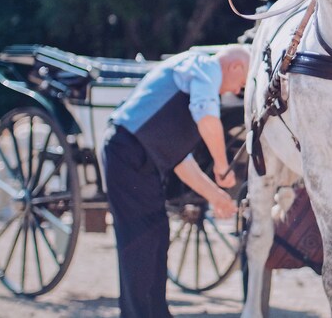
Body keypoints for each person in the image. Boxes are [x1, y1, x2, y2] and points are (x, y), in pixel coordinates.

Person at [103, 44, 249, 318]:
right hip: (127, 151)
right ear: (235, 67)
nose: (235, 92)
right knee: (141, 240)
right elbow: (207, 117)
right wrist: (221, 163)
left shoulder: (193, 79)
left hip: (138, 158)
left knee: (157, 235)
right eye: (240, 84)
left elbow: (182, 162)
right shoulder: (204, 67)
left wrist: (217, 196)